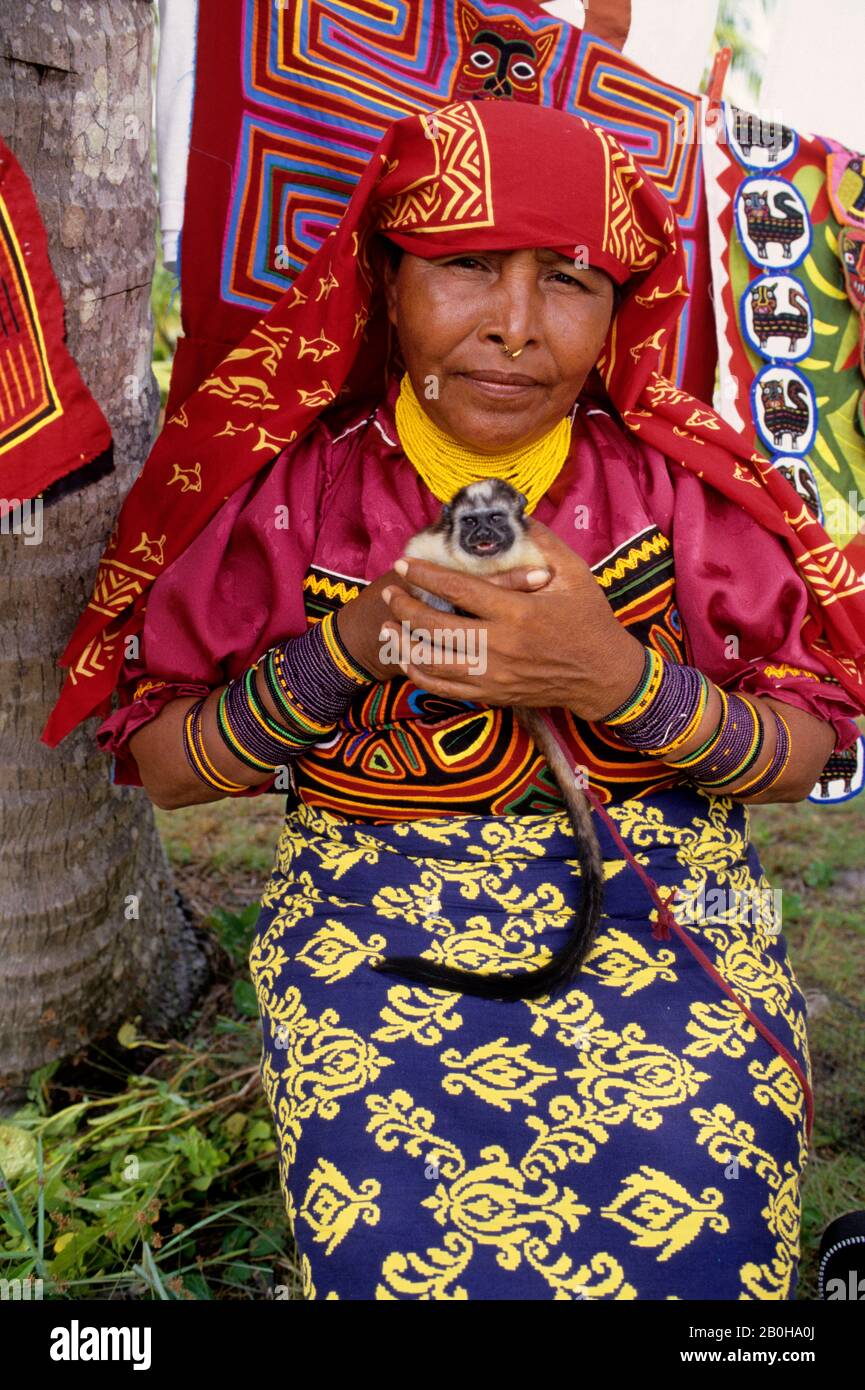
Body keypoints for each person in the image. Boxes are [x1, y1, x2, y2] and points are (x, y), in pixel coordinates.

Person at [45, 100, 865, 1301]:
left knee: (704, 1197)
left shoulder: (677, 495)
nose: (516, 328)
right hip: (371, 926)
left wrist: (612, 676)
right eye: (467, 266)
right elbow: (168, 766)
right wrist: (355, 643)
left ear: (618, 308)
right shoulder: (296, 499)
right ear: (385, 282)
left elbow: (802, 752)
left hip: (658, 906)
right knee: (398, 1245)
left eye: (570, 280)